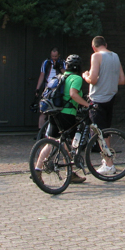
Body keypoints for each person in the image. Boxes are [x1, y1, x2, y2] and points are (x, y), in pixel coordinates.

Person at [34, 54, 87, 183]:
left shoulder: (60, 76)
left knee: (52, 142)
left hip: (55, 113)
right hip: (67, 115)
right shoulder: (76, 78)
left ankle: (37, 170)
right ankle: (70, 172)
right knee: (71, 142)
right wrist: (87, 104)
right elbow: (73, 94)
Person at [82, 36, 125, 175]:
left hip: (97, 99)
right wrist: (108, 80)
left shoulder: (96, 56)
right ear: (105, 44)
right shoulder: (115, 56)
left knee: (99, 133)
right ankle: (107, 160)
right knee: (106, 132)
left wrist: (85, 76)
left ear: (93, 47)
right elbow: (122, 80)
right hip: (111, 98)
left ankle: (109, 165)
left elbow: (93, 80)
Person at [35, 48, 64, 131]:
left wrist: (60, 67)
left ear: (59, 55)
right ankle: (40, 131)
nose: (54, 58)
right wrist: (37, 89)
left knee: (56, 110)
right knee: (43, 109)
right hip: (47, 89)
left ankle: (56, 130)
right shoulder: (46, 62)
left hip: (58, 89)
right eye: (52, 56)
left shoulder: (62, 62)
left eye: (55, 56)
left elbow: (66, 74)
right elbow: (42, 75)